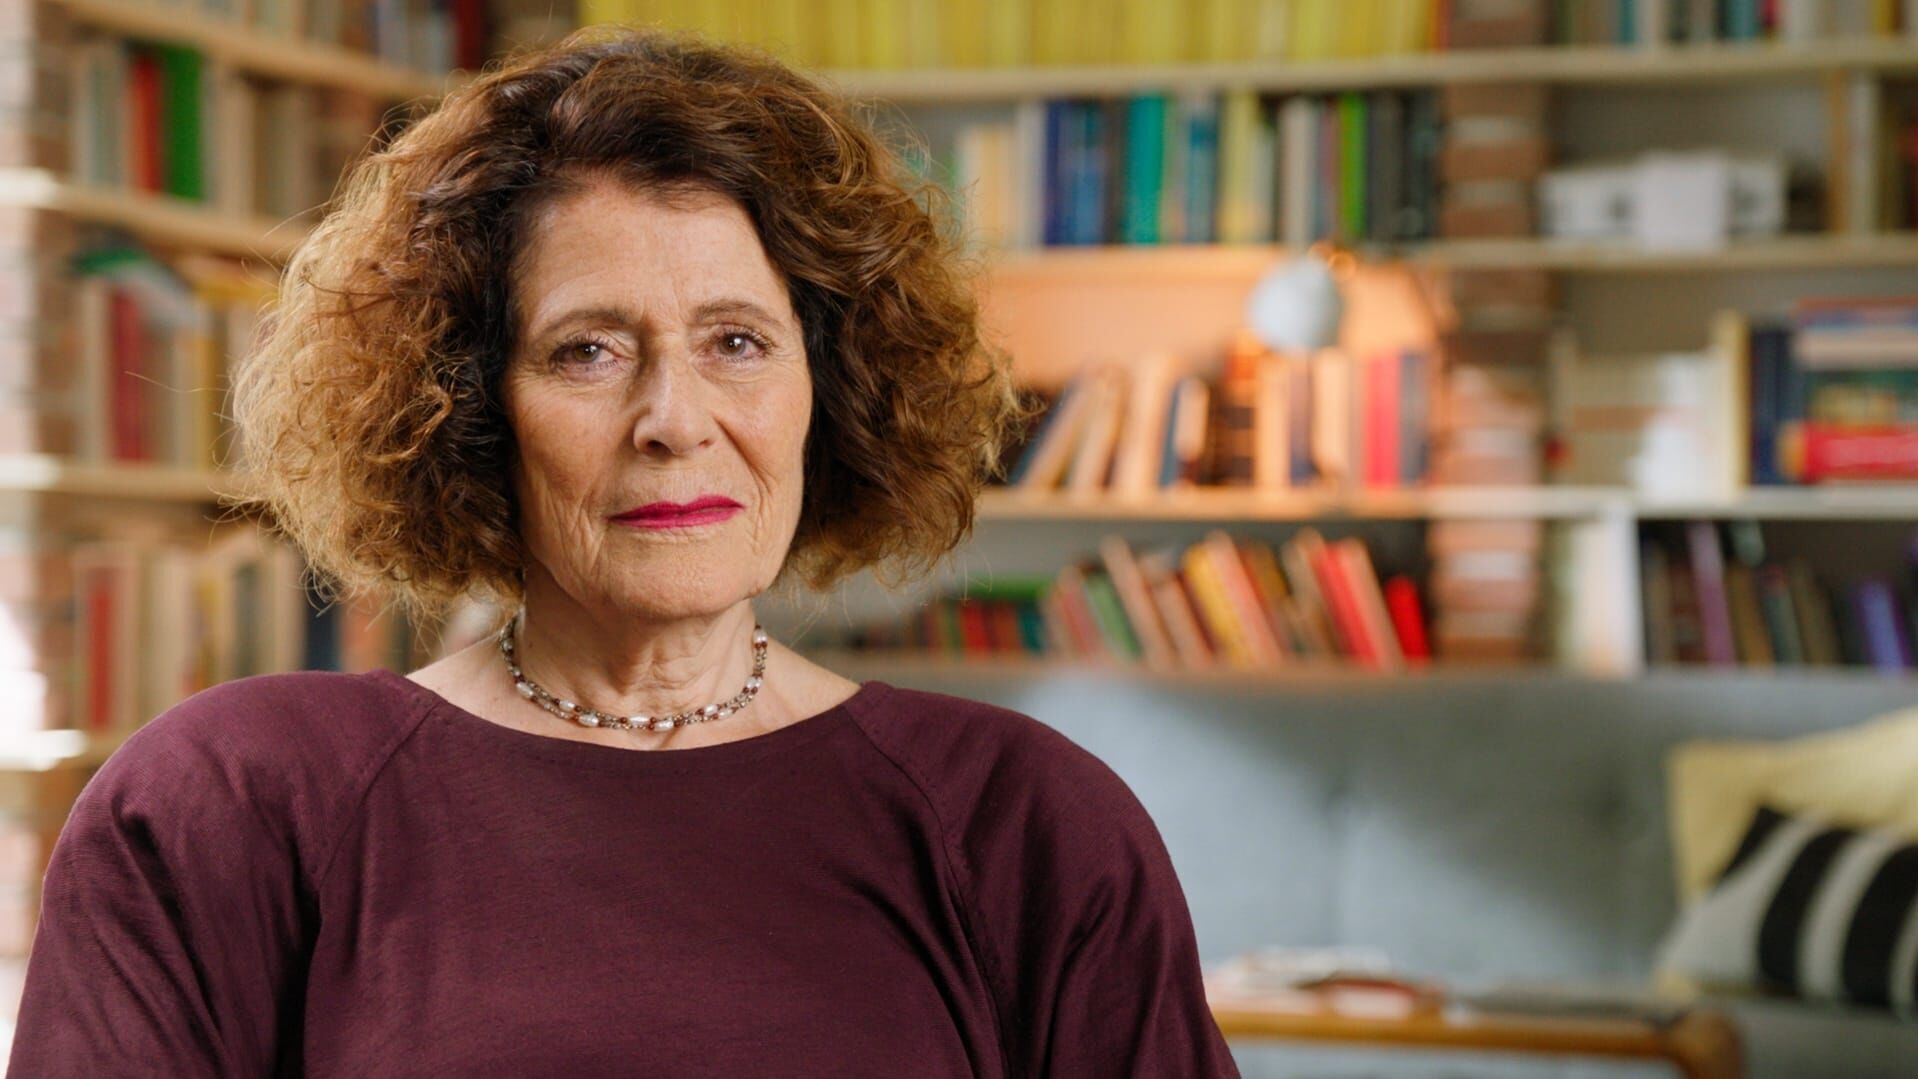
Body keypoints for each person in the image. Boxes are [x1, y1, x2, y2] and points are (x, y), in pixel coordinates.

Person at [8, 26, 1240, 1077]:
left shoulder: (1024, 822)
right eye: (586, 350)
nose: (673, 419)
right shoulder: (232, 802)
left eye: (737, 342)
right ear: (469, 404)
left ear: (830, 387)